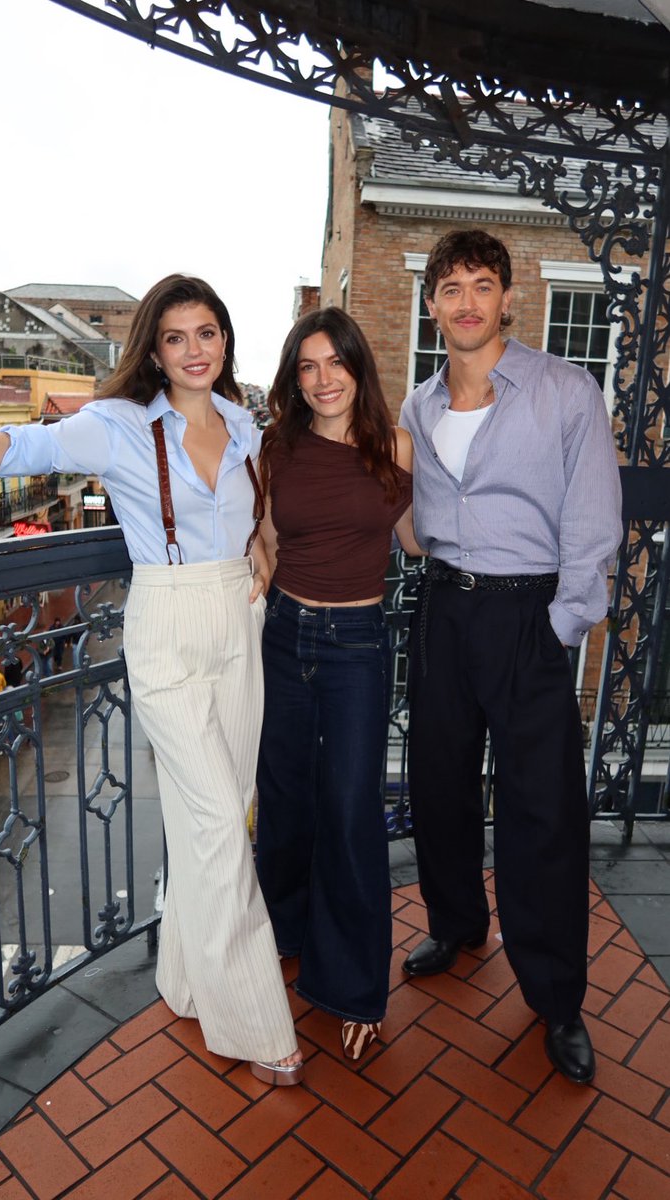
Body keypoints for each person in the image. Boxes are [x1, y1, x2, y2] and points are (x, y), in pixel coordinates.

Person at [0, 273, 303, 1086]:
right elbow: (19, 449)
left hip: (240, 620)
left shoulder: (245, 423)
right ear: (154, 352)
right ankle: (255, 1022)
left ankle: (185, 981)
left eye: (207, 333)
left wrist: (264, 548)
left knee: (226, 810)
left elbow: (262, 513)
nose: (194, 351)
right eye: (176, 338)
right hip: (165, 623)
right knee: (212, 825)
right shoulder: (117, 425)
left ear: (225, 340)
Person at [399, 229, 622, 1085]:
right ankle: (457, 923)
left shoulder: (564, 391)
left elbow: (594, 519)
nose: (464, 302)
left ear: (506, 298)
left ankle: (556, 998)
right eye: (448, 287)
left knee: (543, 811)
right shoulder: (418, 406)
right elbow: (413, 523)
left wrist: (562, 626)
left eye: (480, 285)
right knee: (437, 779)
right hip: (444, 612)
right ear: (431, 305)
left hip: (528, 618)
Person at [256, 307, 422, 1061]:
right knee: (284, 798)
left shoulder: (395, 448)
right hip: (284, 637)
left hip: (357, 645)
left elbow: (421, 538)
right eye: (306, 367)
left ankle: (354, 985)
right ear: (296, 377)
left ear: (358, 367)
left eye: (334, 363)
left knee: (352, 808)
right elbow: (263, 542)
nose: (322, 380)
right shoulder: (276, 449)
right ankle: (281, 935)